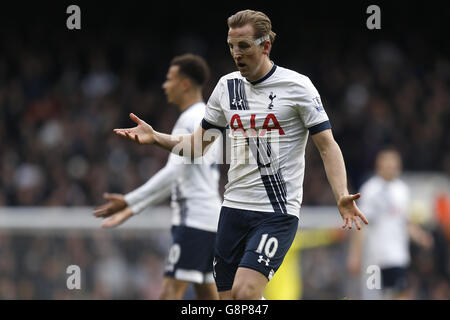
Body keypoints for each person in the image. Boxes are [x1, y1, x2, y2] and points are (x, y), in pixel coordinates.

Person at [113, 9, 368, 300]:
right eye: (231, 46)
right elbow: (199, 145)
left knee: (245, 293)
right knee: (228, 301)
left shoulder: (298, 87)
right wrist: (155, 137)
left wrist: (340, 194)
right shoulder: (226, 87)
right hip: (233, 210)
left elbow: (327, 145)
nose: (236, 53)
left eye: (244, 46)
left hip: (276, 212)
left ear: (265, 46)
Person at [94, 54, 222, 300]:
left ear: (185, 84)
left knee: (169, 293)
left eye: (169, 79)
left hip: (194, 219)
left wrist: (131, 202)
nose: (164, 85)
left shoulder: (191, 119)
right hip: (208, 219)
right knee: (207, 296)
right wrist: (134, 206)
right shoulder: (204, 117)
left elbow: (175, 172)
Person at [347, 148, 433, 299]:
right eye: (387, 164)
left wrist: (421, 236)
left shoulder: (402, 190)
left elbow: (405, 222)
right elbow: (360, 223)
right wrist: (355, 255)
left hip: (397, 256)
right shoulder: (370, 190)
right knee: (372, 296)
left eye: (393, 165)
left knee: (401, 294)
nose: (390, 168)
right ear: (378, 166)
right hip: (374, 258)